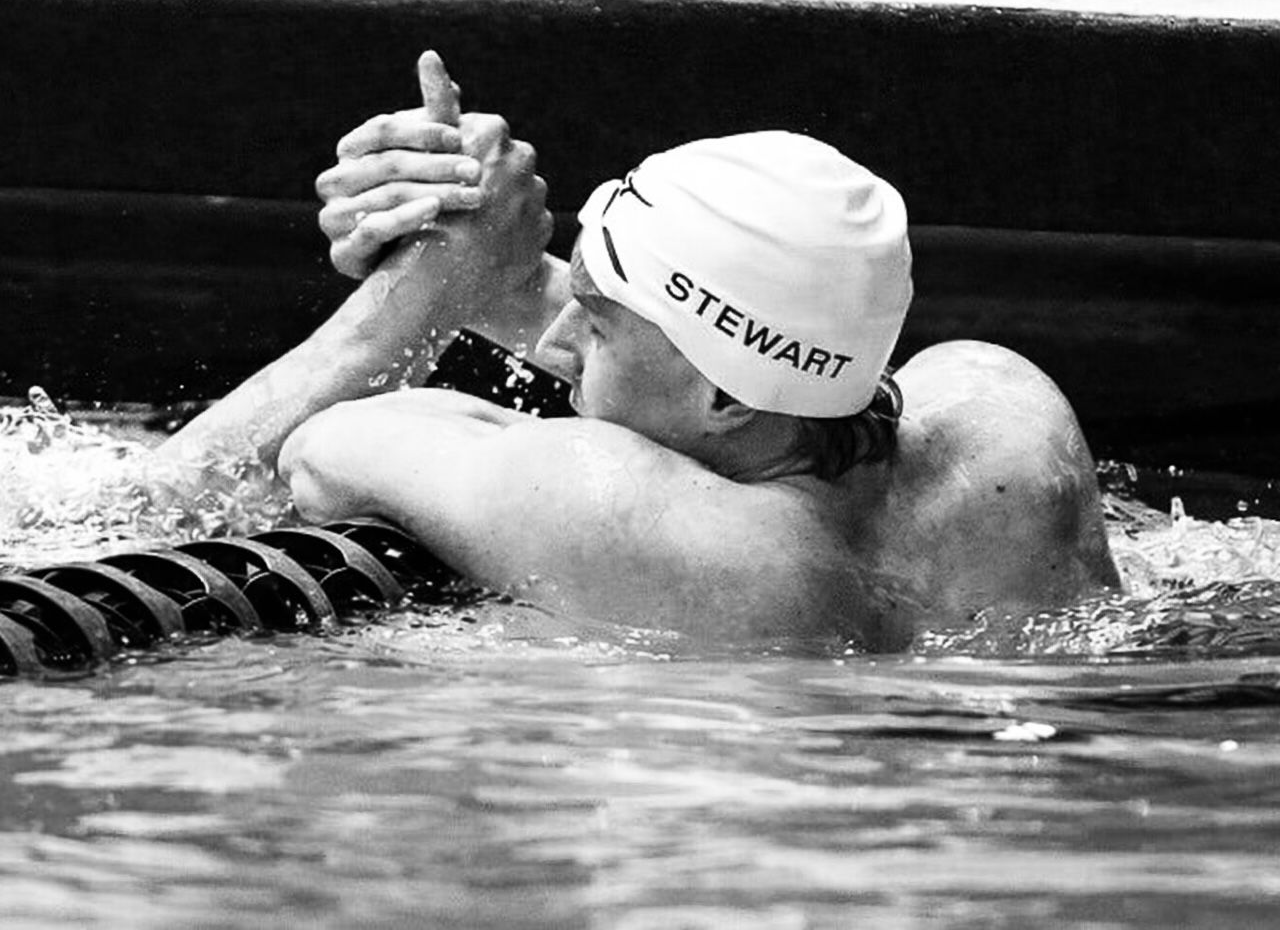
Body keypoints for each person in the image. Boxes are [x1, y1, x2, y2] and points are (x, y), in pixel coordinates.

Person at [163, 51, 1119, 649]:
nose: (553, 339)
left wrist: (422, 287)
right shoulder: (1004, 425)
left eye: (594, 318)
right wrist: (493, 253)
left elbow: (299, 453)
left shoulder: (626, 514)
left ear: (727, 400)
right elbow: (769, 351)